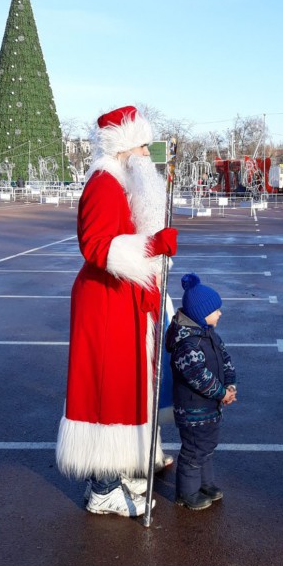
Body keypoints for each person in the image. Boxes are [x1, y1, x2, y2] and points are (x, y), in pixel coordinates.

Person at [56, 105, 178, 518]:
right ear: (125, 146)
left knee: (125, 388)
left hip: (122, 298)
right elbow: (96, 245)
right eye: (142, 145)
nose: (147, 154)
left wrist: (154, 247)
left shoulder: (120, 181)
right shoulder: (104, 183)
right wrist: (151, 248)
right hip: (105, 303)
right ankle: (103, 487)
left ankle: (120, 472)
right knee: (108, 392)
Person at [166, 273, 237, 511]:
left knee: (207, 447)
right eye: (216, 310)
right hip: (193, 409)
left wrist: (230, 384)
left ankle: (204, 484)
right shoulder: (188, 344)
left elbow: (224, 359)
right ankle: (187, 493)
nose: (220, 314)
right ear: (200, 313)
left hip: (210, 407)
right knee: (194, 451)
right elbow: (198, 376)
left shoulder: (209, 335)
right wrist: (221, 393)